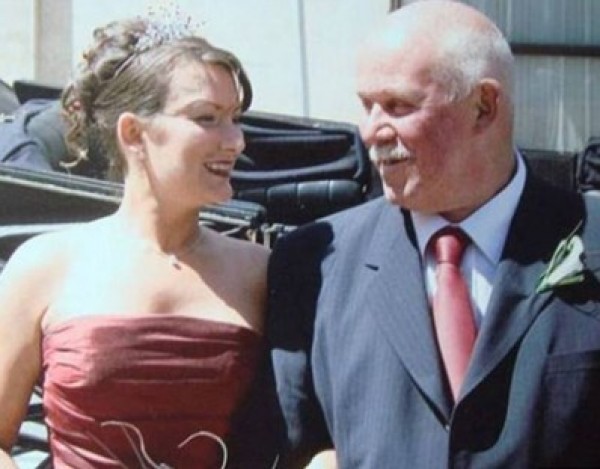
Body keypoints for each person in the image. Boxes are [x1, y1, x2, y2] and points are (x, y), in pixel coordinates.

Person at [267, 1, 600, 467]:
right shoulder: (314, 263)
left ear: (483, 107)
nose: (371, 132)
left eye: (398, 106)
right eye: (367, 106)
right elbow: (287, 447)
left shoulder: (590, 239)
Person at [0, 13, 276, 468]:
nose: (235, 141)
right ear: (133, 133)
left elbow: (306, 436)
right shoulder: (44, 266)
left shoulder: (261, 272)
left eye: (234, 119)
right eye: (207, 118)